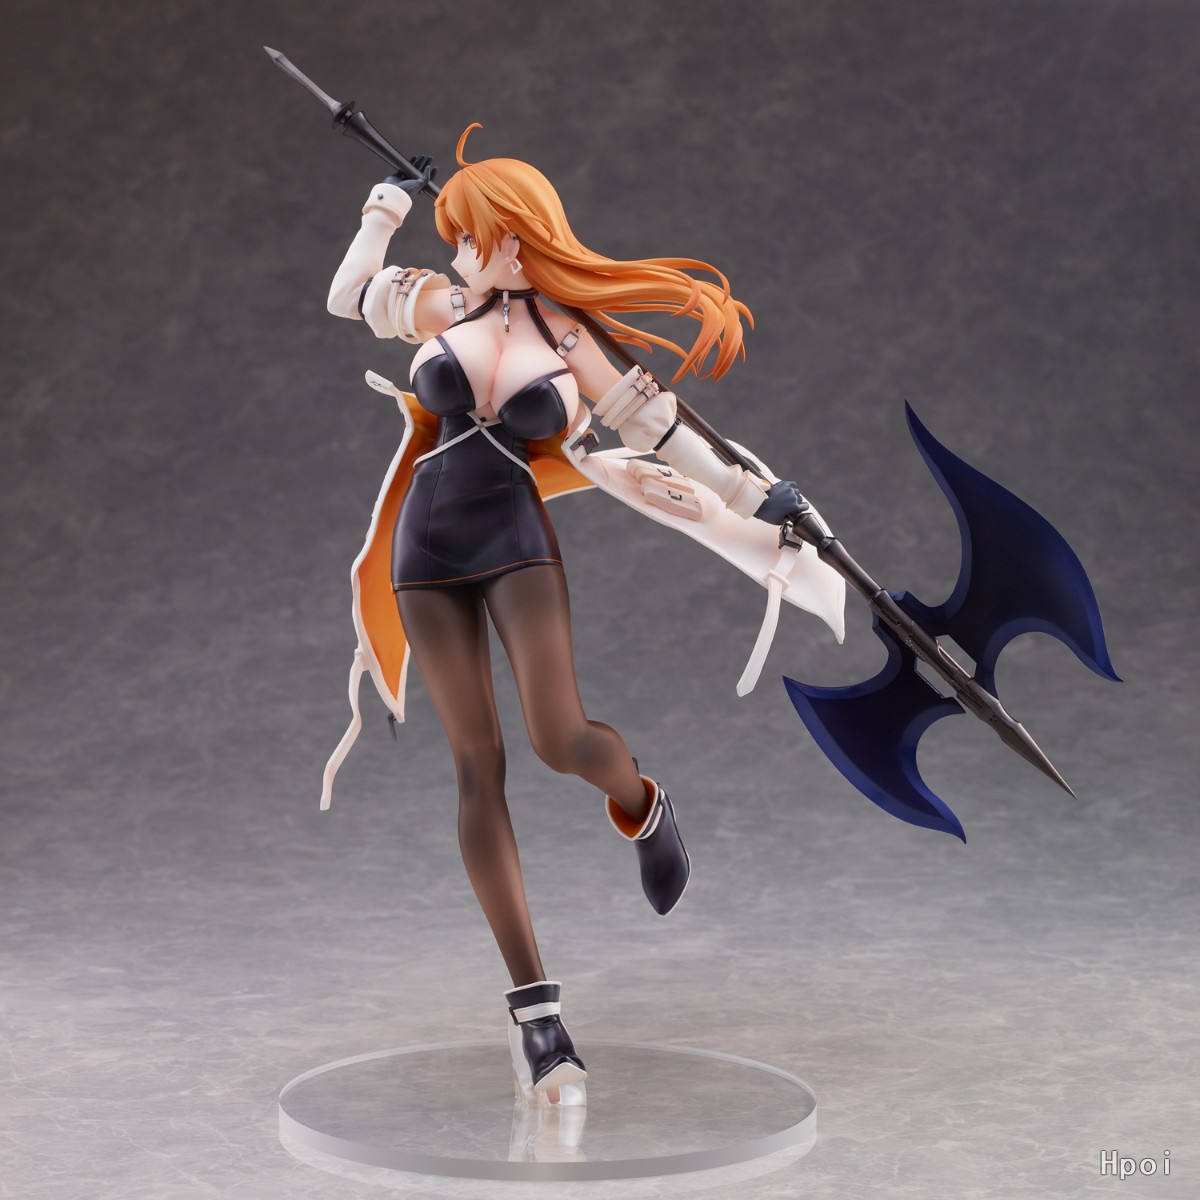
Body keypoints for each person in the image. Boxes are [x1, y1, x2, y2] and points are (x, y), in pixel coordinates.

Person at [325, 124, 802, 1097]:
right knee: (477, 767)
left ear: (511, 237)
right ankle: (536, 1014)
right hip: (426, 549)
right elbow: (347, 296)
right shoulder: (443, 304)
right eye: (452, 237)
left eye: (467, 235)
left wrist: (755, 498)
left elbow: (661, 431)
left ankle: (641, 803)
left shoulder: (567, 335)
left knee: (559, 737)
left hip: (515, 542)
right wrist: (387, 204)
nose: (458, 251)